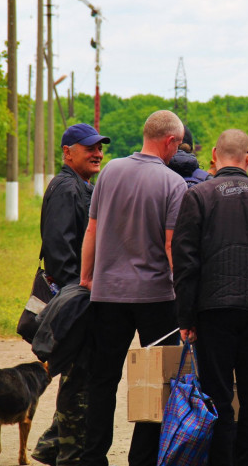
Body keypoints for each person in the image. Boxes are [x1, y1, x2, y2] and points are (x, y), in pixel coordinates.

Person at [172, 129, 248, 466]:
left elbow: (186, 263)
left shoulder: (198, 197)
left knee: (217, 396)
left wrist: (186, 318)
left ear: (214, 154)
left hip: (212, 313)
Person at [78, 110, 187, 466]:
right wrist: (183, 297)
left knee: (103, 379)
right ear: (169, 141)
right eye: (178, 144)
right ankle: (142, 459)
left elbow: (91, 229)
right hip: (156, 298)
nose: (178, 150)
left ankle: (94, 457)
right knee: (156, 382)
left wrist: (87, 277)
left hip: (108, 294)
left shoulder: (109, 172)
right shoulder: (173, 183)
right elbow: (172, 247)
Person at [32, 123, 110, 466]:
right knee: (80, 378)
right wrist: (77, 296)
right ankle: (69, 455)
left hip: (80, 297)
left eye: (99, 148)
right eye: (89, 148)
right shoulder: (66, 188)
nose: (97, 153)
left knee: (81, 375)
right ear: (68, 152)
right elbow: (59, 250)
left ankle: (53, 446)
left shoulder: (81, 185)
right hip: (76, 300)